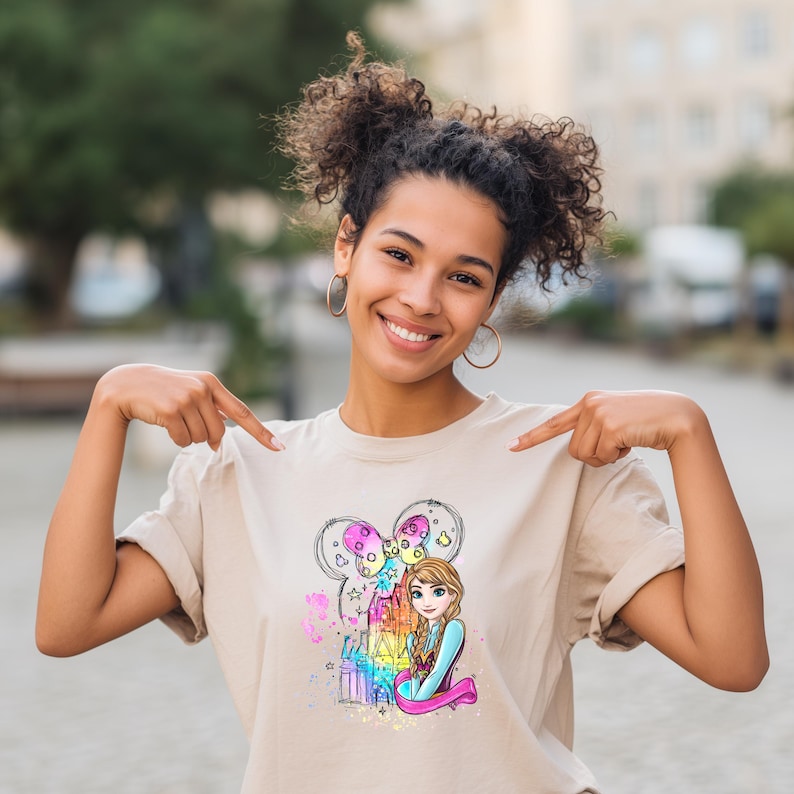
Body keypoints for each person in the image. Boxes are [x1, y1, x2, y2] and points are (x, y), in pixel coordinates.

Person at [37, 33, 768, 792]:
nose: (421, 298)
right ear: (346, 247)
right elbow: (66, 624)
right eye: (399, 254)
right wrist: (108, 405)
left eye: (464, 276)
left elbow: (733, 658)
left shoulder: (561, 466)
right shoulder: (238, 471)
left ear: (493, 297)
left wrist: (691, 435)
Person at [393, 557, 478, 714]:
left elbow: (437, 673)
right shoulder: (413, 638)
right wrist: (413, 701)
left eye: (437, 592)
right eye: (418, 594)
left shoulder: (453, 628)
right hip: (417, 703)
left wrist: (416, 706)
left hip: (438, 702)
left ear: (453, 594)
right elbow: (415, 678)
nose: (427, 602)